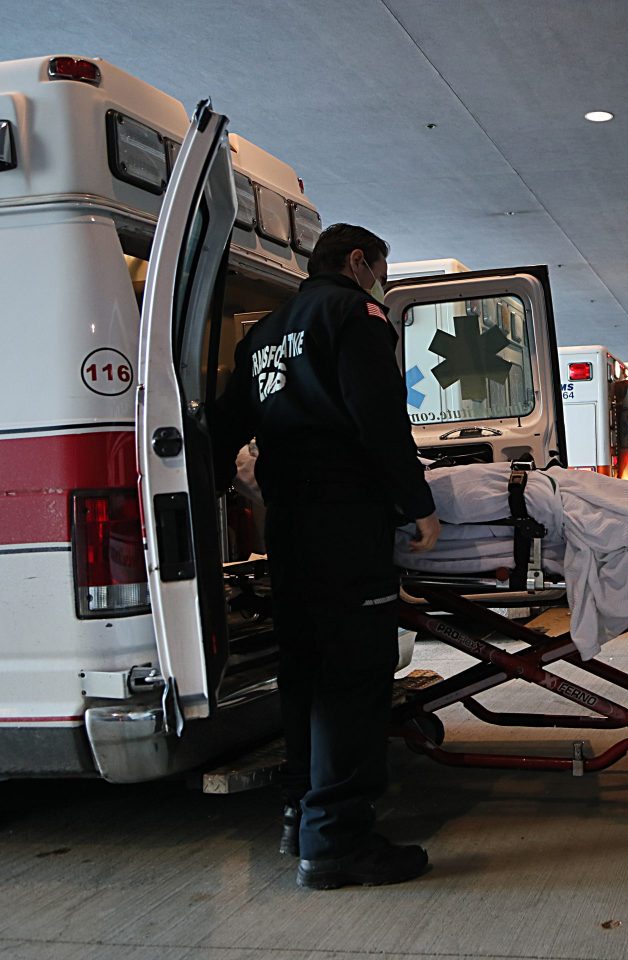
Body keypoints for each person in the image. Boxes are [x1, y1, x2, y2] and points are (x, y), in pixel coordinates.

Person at [212, 224, 440, 888]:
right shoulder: (353, 313)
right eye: (381, 270)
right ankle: (338, 841)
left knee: (306, 676)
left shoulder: (265, 331)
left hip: (289, 525)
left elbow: (227, 425)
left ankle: (301, 817)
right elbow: (378, 414)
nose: (383, 284)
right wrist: (414, 502)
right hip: (346, 522)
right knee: (352, 679)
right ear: (358, 261)